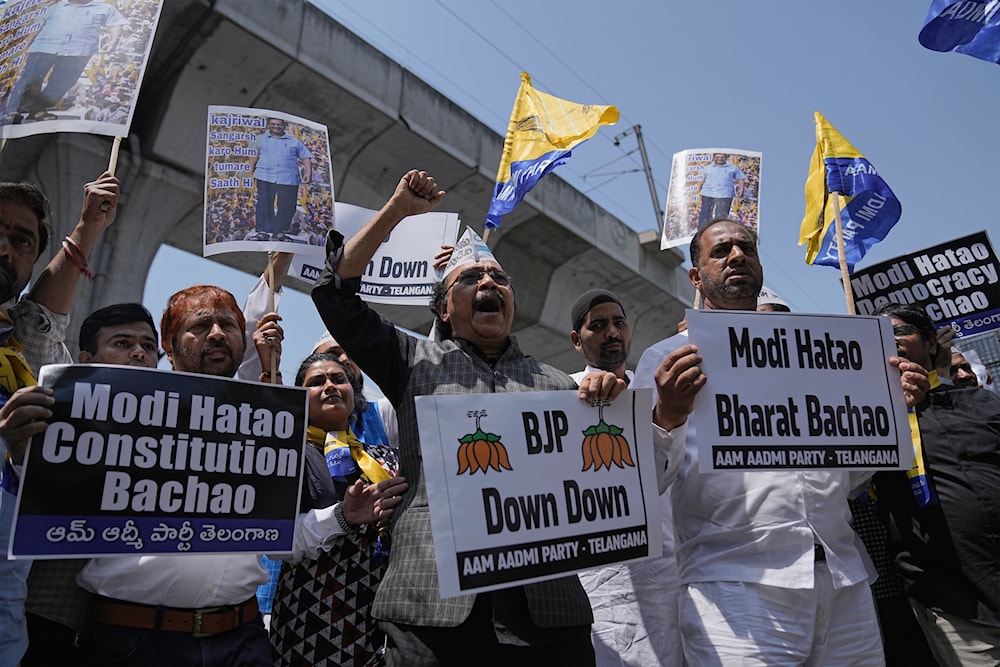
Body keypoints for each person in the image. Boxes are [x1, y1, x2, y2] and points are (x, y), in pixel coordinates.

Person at [311, 170, 626, 666]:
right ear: (443, 306)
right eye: (471, 278)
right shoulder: (411, 361)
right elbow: (335, 295)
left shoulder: (559, 385)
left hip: (547, 614)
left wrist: (606, 396)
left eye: (498, 278)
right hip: (434, 609)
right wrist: (396, 211)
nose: (488, 284)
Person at [633, 218, 929, 665]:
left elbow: (846, 477)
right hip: (735, 592)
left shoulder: (818, 354)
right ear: (696, 277)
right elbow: (643, 480)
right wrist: (669, 416)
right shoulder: (667, 360)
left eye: (746, 248)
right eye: (721, 251)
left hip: (842, 583)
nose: (737, 256)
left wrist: (887, 414)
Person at [0, 172, 120, 665]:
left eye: (20, 241)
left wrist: (89, 226)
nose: (4, 248)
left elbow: (43, 316)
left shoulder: (18, 352)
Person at [22, 303, 159, 665]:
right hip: (46, 617)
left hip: (131, 634)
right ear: (86, 357)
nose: (139, 353)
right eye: (122, 343)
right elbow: (39, 334)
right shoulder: (57, 409)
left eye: (148, 346)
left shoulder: (178, 433)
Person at [873, 303, 999, 665]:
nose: (890, 342)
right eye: (878, 336)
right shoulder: (868, 420)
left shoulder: (981, 403)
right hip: (955, 607)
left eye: (899, 332)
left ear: (931, 345)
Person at [567, 289, 682, 666]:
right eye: (597, 326)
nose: (612, 333)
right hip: (604, 581)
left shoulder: (661, 389)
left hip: (671, 573)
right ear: (576, 339)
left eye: (618, 322)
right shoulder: (561, 396)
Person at [269, 352, 406, 665]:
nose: (329, 385)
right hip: (314, 620)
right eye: (316, 382)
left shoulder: (383, 457)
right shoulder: (287, 456)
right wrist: (341, 518)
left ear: (353, 393)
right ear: (300, 400)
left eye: (338, 379)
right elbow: (276, 542)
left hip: (383, 619)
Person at [4, 0, 126, 122]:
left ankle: (37, 107)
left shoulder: (105, 8)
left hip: (79, 51)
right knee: (31, 78)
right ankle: (13, 110)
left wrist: (113, 41)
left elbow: (115, 24)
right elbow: (36, 28)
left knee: (65, 82)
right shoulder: (53, 7)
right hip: (44, 46)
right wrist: (24, 48)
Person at [248, 118, 312, 240]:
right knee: (264, 204)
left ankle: (280, 232)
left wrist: (308, 172)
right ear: (268, 125)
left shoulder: (295, 142)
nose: (276, 126)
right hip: (265, 176)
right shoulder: (260, 139)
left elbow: (305, 157)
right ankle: (263, 232)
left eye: (278, 124)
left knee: (287, 206)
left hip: (289, 178)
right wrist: (250, 173)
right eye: (273, 124)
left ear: (284, 126)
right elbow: (253, 156)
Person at [696, 153, 745, 228]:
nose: (720, 159)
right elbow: (701, 180)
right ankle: (702, 230)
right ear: (714, 158)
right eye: (718, 157)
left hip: (725, 194)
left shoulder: (733, 168)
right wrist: (698, 190)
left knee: (721, 214)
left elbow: (740, 178)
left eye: (722, 157)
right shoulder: (707, 168)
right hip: (708, 193)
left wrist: (741, 189)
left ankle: (717, 229)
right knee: (705, 212)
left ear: (726, 158)